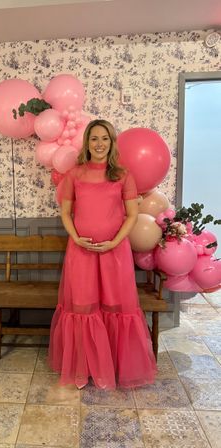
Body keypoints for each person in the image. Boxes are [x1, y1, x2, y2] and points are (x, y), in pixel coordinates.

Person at [49, 119, 156, 389]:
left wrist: (114, 242)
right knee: (83, 307)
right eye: (94, 138)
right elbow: (65, 212)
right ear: (87, 142)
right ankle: (82, 369)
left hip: (114, 252)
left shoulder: (123, 175)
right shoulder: (75, 175)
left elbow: (132, 215)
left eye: (105, 138)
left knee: (116, 306)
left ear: (112, 142)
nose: (99, 144)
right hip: (81, 252)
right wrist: (76, 238)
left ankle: (115, 367)